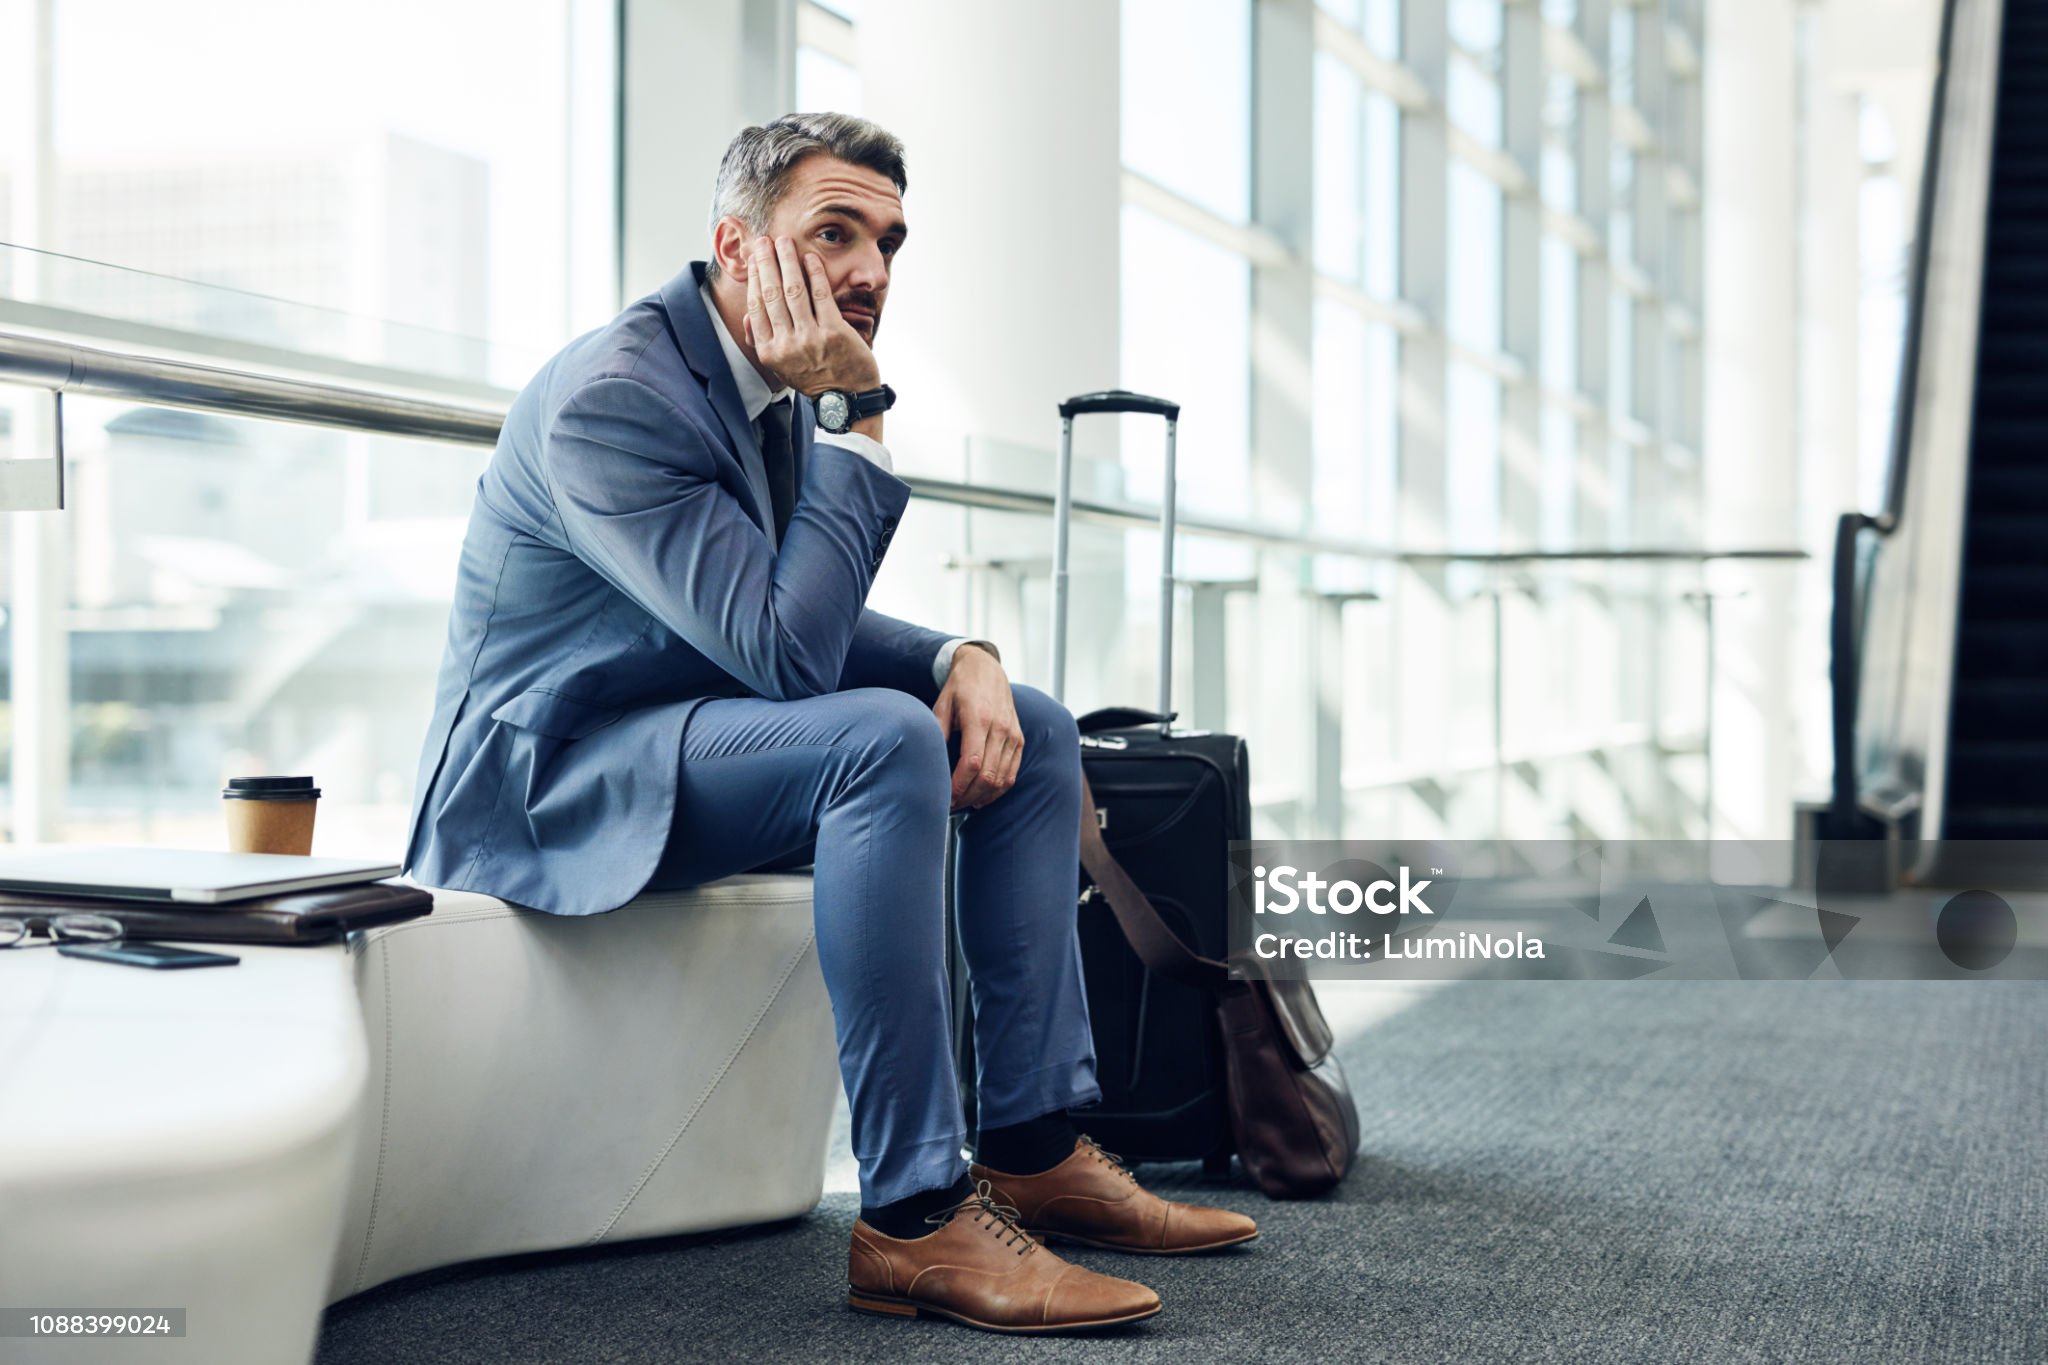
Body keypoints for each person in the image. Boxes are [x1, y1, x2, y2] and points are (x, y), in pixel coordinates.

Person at [402, 112, 1256, 1335]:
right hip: (556, 776)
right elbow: (784, 652)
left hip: (687, 727)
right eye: (834, 233)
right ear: (737, 247)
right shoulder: (618, 398)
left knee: (1032, 725)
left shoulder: (761, 383)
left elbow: (771, 612)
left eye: (888, 242)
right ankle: (910, 1218)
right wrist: (860, 424)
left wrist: (959, 655)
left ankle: (1030, 1142)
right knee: (879, 739)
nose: (869, 273)